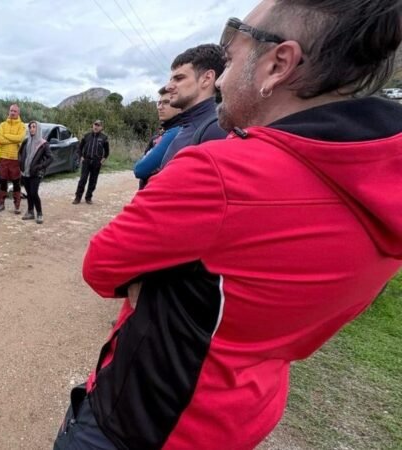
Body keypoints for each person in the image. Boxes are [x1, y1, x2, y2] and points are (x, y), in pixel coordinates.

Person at [54, 1, 402, 449]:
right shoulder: (384, 182)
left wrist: (161, 290)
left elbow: (100, 265)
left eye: (232, 56)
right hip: (244, 415)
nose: (219, 78)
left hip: (144, 419)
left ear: (278, 64)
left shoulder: (220, 173)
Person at [158, 43, 228, 170]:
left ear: (207, 78)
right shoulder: (192, 125)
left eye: (179, 78)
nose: (168, 87)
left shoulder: (216, 129)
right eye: (171, 79)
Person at [134, 86, 184, 189]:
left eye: (166, 102)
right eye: (159, 103)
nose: (160, 107)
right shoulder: (166, 132)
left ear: (179, 106)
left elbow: (140, 169)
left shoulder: (176, 132)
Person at [19, 121, 53, 224]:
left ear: (38, 128)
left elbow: (50, 158)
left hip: (35, 173)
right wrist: (20, 163)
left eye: (34, 127)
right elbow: (20, 153)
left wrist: (40, 167)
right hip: (25, 172)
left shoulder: (43, 144)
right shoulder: (26, 141)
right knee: (29, 193)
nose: (32, 129)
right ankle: (30, 212)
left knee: (34, 193)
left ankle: (39, 213)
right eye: (30, 127)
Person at [0, 104, 26, 213]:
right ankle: (1, 203)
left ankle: (17, 206)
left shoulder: (22, 126)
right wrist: (14, 140)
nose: (12, 113)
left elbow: (20, 138)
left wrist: (6, 136)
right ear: (9, 112)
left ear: (18, 113)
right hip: (3, 157)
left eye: (15, 111)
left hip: (15, 159)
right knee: (3, 181)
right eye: (11, 111)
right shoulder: (2, 125)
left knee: (16, 182)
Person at [73, 119, 109, 205]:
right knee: (82, 180)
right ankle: (77, 198)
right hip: (86, 161)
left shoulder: (104, 138)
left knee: (93, 181)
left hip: (96, 162)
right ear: (92, 125)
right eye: (95, 125)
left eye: (98, 125)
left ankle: (88, 198)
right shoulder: (86, 136)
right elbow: (79, 148)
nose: (96, 127)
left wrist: (101, 161)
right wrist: (81, 157)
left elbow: (107, 152)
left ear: (101, 127)